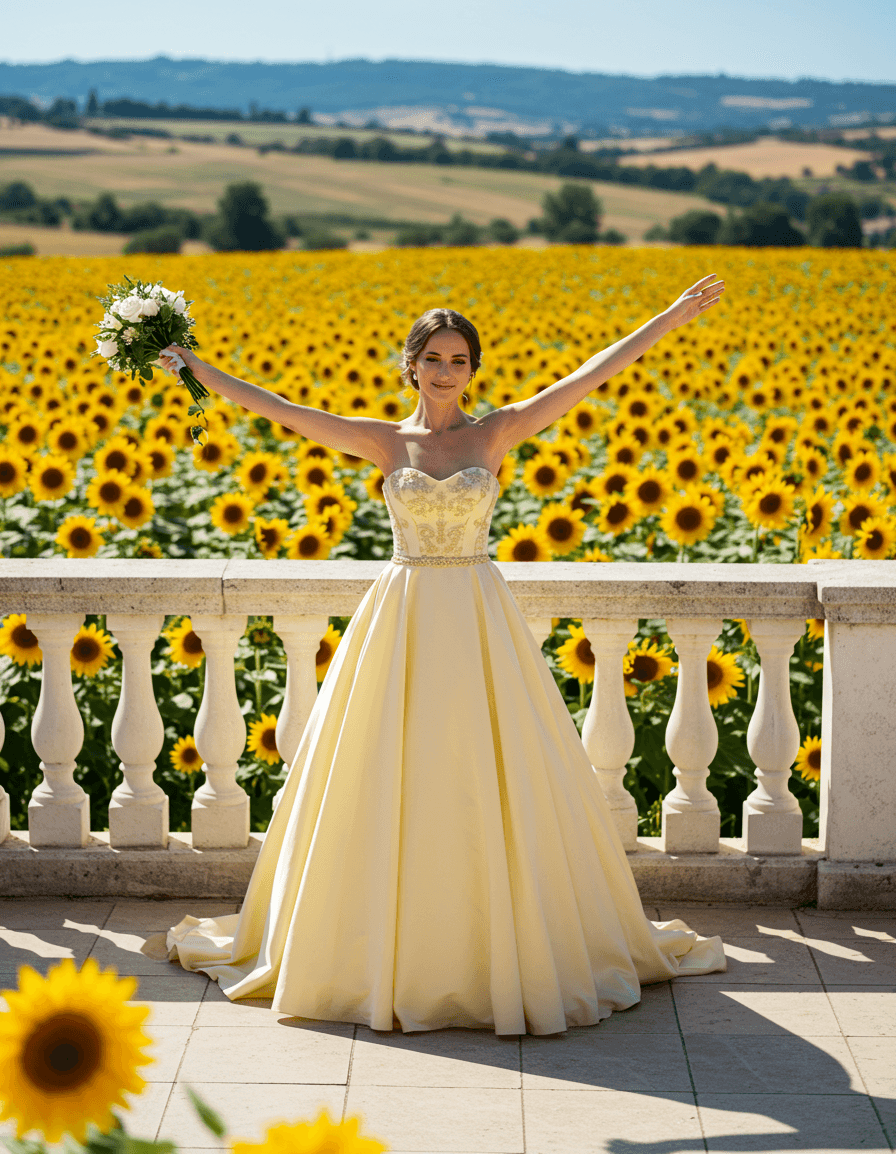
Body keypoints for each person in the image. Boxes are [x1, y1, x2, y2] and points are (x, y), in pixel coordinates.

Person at [156, 272, 727, 1036]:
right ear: (412, 364)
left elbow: (592, 374)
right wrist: (194, 366)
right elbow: (279, 409)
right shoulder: (386, 440)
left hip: (478, 618)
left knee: (484, 773)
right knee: (393, 773)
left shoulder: (495, 433)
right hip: (403, 615)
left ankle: (493, 947)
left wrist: (667, 317)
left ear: (471, 369)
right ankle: (390, 949)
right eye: (434, 357)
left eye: (459, 359)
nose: (446, 371)